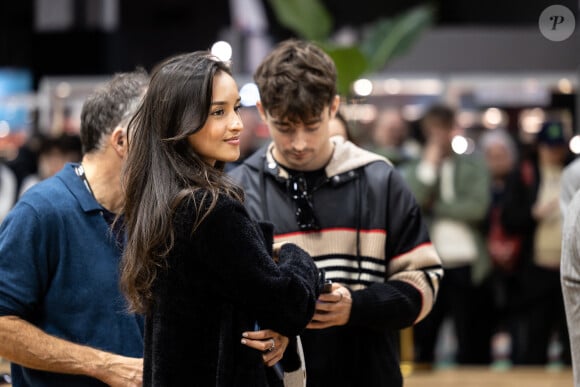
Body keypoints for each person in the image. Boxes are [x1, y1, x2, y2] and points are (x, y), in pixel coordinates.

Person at [228, 39, 443, 387]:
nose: (299, 143)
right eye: (284, 126)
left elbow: (426, 283)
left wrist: (356, 306)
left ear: (333, 107)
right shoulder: (239, 189)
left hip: (370, 374)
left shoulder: (380, 179)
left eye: (312, 126)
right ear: (264, 111)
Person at [119, 50, 323, 387]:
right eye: (218, 112)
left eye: (236, 107)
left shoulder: (161, 203)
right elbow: (290, 305)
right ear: (179, 121)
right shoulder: (209, 211)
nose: (237, 124)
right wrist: (295, 257)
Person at [0, 69, 149, 386]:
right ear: (122, 141)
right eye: (156, 135)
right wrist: (103, 365)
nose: (167, 148)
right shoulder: (41, 213)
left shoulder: (147, 217)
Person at [402, 103, 492, 366]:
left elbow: (478, 208)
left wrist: (438, 208)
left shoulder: (473, 165)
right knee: (425, 340)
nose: (439, 136)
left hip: (468, 262)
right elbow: (413, 203)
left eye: (443, 129)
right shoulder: (416, 168)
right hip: (431, 265)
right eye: (433, 130)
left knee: (472, 340)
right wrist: (429, 164)